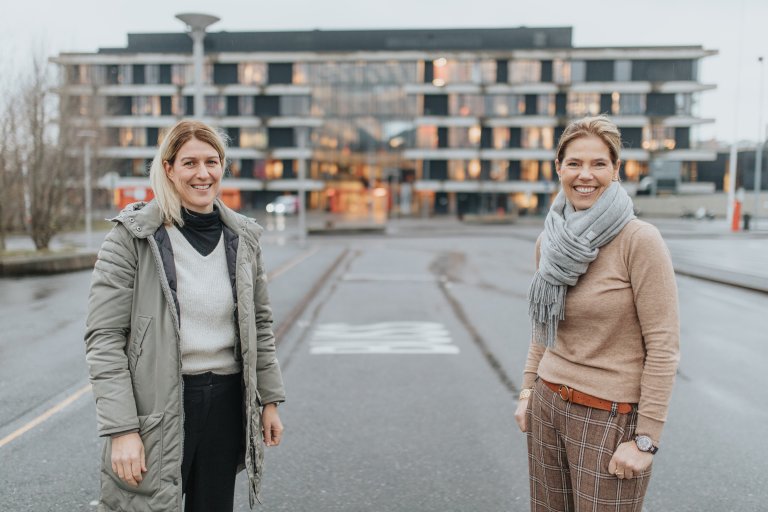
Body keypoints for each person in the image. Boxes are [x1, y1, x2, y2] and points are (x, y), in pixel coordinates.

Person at [85, 119, 286, 512]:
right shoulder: (131, 238)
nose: (203, 173)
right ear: (169, 169)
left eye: (212, 162)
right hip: (158, 407)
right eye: (190, 162)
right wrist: (122, 429)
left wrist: (270, 400)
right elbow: (104, 339)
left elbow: (260, 325)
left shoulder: (243, 239)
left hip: (226, 403)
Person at [514, 115, 679, 511]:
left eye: (598, 164)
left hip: (609, 416)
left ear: (615, 170)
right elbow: (544, 326)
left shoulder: (639, 240)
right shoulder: (550, 240)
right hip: (548, 405)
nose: (585, 175)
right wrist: (527, 391)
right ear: (559, 168)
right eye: (574, 163)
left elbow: (664, 345)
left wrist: (646, 439)